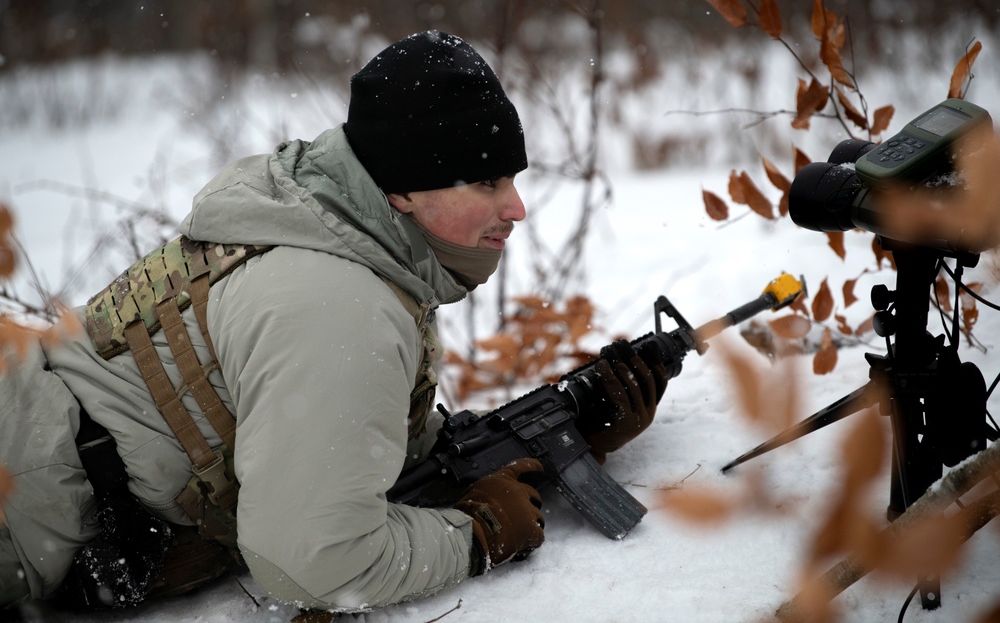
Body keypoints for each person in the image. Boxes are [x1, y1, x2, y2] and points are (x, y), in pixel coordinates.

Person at [0, 30, 666, 614]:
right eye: (486, 182)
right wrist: (478, 534)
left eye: (511, 179)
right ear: (402, 190)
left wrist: (564, 430)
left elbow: (353, 451)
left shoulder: (333, 228)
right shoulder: (340, 303)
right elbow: (310, 560)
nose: (516, 207)